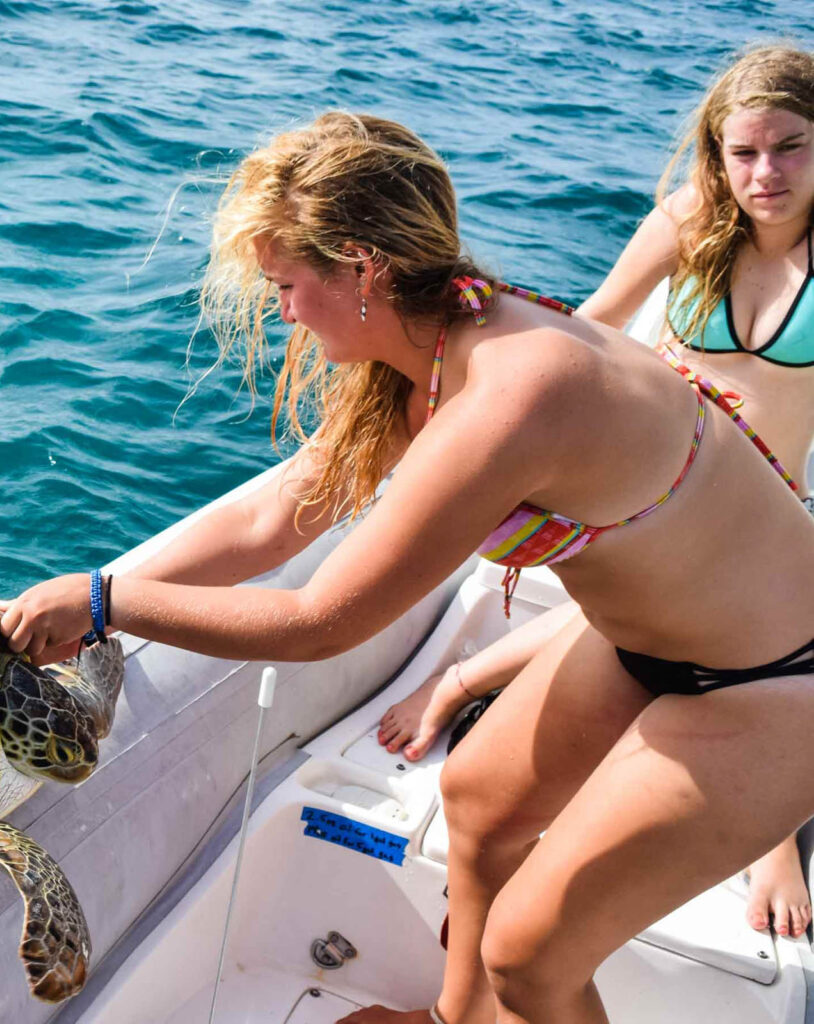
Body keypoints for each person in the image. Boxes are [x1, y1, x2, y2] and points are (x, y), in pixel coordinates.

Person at [0, 111, 814, 1024]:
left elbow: (321, 623)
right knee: (476, 803)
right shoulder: (428, 352)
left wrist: (109, 605)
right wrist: (87, 586)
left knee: (528, 957)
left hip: (774, 681)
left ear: (361, 266)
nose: (280, 309)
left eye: (288, 283)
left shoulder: (516, 389)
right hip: (642, 643)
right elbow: (279, 511)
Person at [378, 44, 814, 943]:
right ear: (715, 154)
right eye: (744, 153)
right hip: (663, 490)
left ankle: (773, 829)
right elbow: (585, 330)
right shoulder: (692, 220)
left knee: (695, 605)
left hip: (772, 515)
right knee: (627, 580)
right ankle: (461, 684)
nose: (764, 173)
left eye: (792, 147)